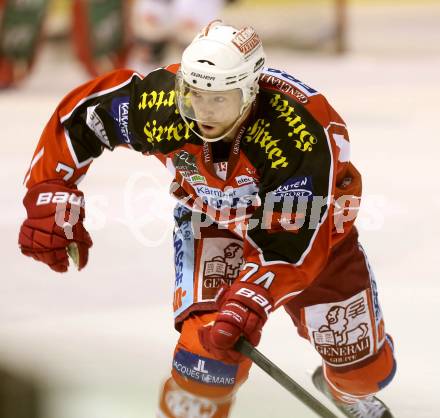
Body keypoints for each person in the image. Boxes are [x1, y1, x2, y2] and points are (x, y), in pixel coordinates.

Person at [18, 20, 396, 418]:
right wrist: (51, 191)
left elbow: (293, 239)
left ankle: (349, 394)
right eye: (195, 94)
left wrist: (251, 299)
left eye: (219, 99)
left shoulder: (296, 135)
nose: (203, 111)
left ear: (250, 92)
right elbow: (83, 118)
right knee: (205, 362)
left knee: (364, 372)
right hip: (213, 220)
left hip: (315, 237)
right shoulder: (163, 107)